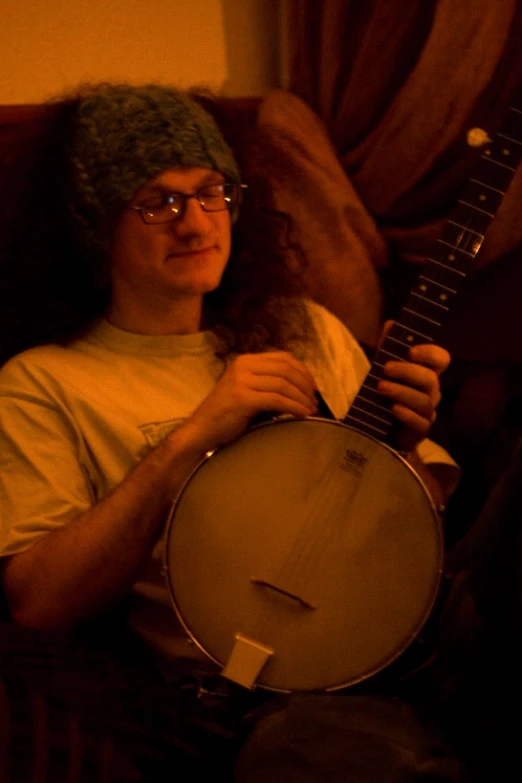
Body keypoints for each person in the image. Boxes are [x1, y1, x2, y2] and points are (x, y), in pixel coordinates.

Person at [0, 83, 464, 781]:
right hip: (253, 695)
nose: (196, 224)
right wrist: (190, 439)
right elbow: (38, 604)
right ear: (95, 223)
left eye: (212, 191)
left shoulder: (304, 327)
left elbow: (429, 519)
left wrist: (399, 449)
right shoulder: (43, 381)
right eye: (158, 201)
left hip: (417, 639)